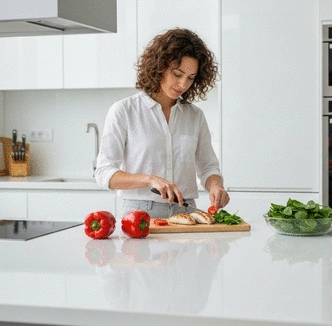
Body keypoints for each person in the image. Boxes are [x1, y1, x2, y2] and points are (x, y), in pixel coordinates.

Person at [95, 28, 230, 218]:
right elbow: (104, 173)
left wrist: (216, 186)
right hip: (139, 213)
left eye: (190, 78)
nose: (183, 84)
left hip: (187, 212)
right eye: (177, 74)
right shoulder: (124, 111)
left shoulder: (195, 116)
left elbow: (208, 167)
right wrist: (150, 180)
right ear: (159, 66)